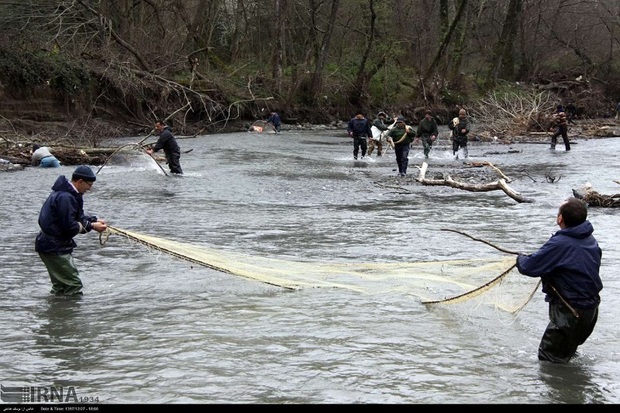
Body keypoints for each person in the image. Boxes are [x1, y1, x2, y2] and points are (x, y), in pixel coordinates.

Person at [516, 197, 602, 364]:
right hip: (590, 312)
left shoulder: (560, 243)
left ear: (560, 218)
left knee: (549, 363)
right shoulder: (590, 240)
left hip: (569, 312)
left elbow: (528, 267)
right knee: (567, 356)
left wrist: (520, 258)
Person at [35, 166, 108, 296]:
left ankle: (57, 310)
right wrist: (92, 226)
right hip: (54, 246)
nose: (90, 188)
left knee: (60, 285)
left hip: (49, 244)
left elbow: (76, 217)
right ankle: (72, 313)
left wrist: (93, 220)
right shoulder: (66, 197)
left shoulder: (67, 194)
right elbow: (69, 226)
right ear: (80, 181)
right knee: (73, 284)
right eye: (89, 185)